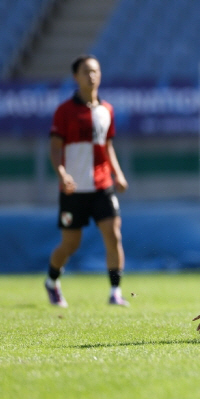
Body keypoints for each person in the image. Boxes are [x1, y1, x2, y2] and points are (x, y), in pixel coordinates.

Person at [44, 55, 130, 308]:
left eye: (95, 71)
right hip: (74, 189)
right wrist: (61, 174)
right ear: (76, 77)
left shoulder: (107, 110)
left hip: (102, 185)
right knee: (71, 244)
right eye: (85, 72)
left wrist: (118, 173)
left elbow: (107, 146)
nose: (91, 76)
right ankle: (51, 281)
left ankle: (115, 291)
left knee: (113, 235)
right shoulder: (64, 111)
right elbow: (55, 148)